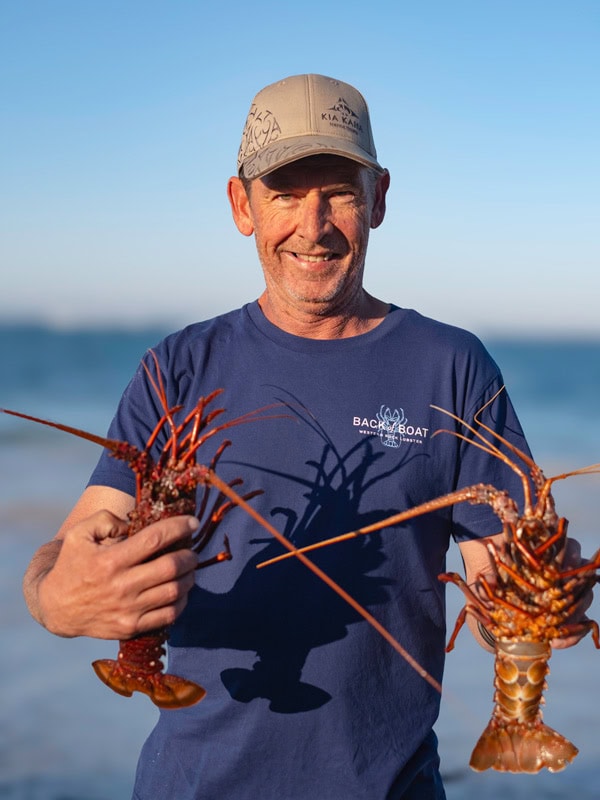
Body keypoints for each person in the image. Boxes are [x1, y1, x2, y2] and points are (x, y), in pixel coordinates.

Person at [23, 74, 592, 799]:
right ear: (242, 206)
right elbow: (68, 549)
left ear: (379, 198)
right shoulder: (176, 368)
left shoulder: (454, 367)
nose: (313, 224)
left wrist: (535, 609)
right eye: (285, 195)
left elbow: (490, 585)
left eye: (340, 193)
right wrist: (58, 599)